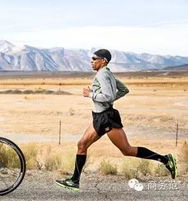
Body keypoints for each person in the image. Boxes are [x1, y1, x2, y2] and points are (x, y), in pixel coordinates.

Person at [55, 49, 177, 191]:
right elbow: (124, 90)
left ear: (103, 61)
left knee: (127, 150)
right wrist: (103, 100)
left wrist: (91, 94)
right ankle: (74, 181)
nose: (91, 61)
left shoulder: (103, 74)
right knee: (82, 145)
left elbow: (108, 97)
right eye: (92, 59)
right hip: (99, 117)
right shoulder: (107, 74)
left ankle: (166, 160)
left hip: (107, 119)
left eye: (94, 58)